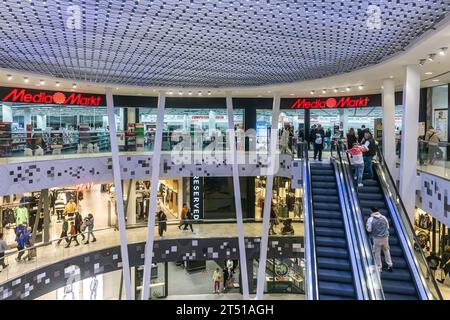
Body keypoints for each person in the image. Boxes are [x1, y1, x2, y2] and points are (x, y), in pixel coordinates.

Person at [366, 207, 393, 272]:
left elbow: (369, 230)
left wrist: (366, 227)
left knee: (377, 253)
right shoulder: (384, 218)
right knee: (386, 250)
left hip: (377, 238)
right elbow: (388, 227)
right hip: (385, 237)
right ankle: (390, 265)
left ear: (372, 211)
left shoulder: (370, 219)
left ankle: (379, 267)